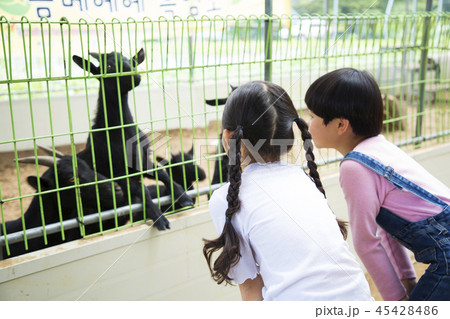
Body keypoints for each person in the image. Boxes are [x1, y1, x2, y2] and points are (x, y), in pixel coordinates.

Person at [202, 80, 373, 301]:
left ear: (227, 138)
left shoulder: (225, 199)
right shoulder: (302, 178)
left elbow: (251, 291)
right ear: (289, 136)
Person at [304, 68, 450, 301]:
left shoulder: (354, 167)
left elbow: (365, 243)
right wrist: (408, 281)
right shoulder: (379, 147)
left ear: (341, 125)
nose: (307, 123)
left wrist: (397, 301)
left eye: (312, 116)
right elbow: (385, 231)